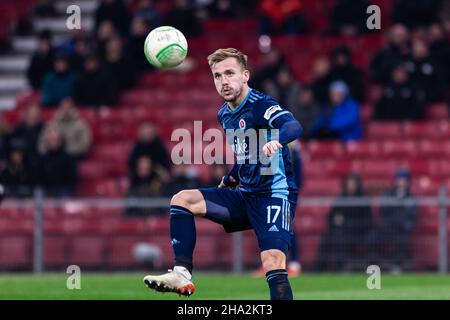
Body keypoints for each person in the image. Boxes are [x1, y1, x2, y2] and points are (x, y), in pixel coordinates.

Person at [143, 48, 303, 300]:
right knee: (182, 200)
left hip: (274, 195)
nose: (224, 81)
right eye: (217, 76)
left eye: (230, 73)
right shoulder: (225, 114)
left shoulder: (261, 105)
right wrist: (232, 177)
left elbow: (293, 125)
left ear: (245, 76)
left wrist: (278, 141)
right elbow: (247, 155)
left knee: (273, 261)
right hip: (245, 194)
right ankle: (182, 273)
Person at [314, 173, 372, 272]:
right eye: (349, 183)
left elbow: (367, 221)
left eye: (353, 183)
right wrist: (336, 221)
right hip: (339, 231)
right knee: (326, 239)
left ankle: (339, 269)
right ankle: (319, 269)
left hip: (356, 233)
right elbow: (331, 216)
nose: (351, 185)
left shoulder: (363, 200)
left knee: (341, 241)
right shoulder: (341, 198)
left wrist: (348, 224)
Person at [365, 169, 419, 273]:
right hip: (386, 227)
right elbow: (383, 210)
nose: (401, 182)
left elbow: (412, 216)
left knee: (401, 241)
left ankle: (397, 267)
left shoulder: (411, 197)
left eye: (404, 180)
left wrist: (404, 224)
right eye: (399, 179)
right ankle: (374, 267)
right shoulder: (389, 194)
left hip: (400, 229)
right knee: (371, 239)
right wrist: (397, 202)